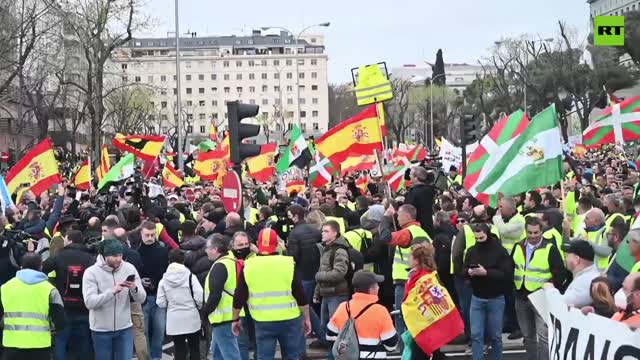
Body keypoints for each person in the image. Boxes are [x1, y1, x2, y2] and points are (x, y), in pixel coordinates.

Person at [232, 227, 311, 360]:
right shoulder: (288, 263)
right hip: (289, 320)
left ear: (257, 243)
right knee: (292, 356)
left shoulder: (249, 265)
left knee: (264, 357)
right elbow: (300, 295)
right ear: (276, 245)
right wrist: (306, 318)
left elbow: (239, 297)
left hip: (263, 321)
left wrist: (234, 319)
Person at [512, 217, 566, 360]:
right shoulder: (518, 247)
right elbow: (512, 269)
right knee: (527, 335)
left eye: (536, 232)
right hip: (521, 296)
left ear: (541, 231)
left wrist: (550, 287)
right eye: (530, 232)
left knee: (544, 336)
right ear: (526, 231)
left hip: (541, 297)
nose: (533, 236)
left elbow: (560, 273)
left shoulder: (550, 248)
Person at [82, 238, 146, 360]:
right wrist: (112, 291)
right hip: (101, 330)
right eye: (114, 256)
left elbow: (142, 298)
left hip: (125, 328)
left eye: (120, 255)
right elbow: (89, 302)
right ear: (104, 256)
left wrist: (134, 289)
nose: (119, 259)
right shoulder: (91, 273)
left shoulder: (129, 268)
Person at [382, 204, 431, 350]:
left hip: (405, 283)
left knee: (402, 319)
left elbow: (385, 237)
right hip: (419, 282)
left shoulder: (407, 233)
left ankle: (404, 351)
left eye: (399, 215)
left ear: (407, 216)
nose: (396, 217)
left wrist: (385, 219)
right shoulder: (422, 232)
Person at [0, 253, 66, 360]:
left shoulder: (5, 288)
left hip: (11, 345)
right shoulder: (50, 289)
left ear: (21, 266)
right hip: (40, 346)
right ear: (41, 267)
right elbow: (61, 322)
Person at [42, 230, 95, 360]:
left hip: (63, 306)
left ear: (69, 240)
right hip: (84, 307)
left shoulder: (59, 255)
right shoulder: (90, 258)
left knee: (61, 341)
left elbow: (44, 268)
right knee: (83, 343)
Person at [464, 223, 512, 360]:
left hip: (495, 298)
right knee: (476, 335)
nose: (479, 241)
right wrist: (469, 272)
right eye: (476, 238)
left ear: (488, 235)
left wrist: (486, 272)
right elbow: (462, 270)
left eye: (482, 238)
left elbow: (506, 273)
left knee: (495, 336)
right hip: (477, 297)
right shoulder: (471, 251)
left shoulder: (499, 251)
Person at [326, 270, 398, 359]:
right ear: (371, 290)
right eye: (376, 285)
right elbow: (391, 346)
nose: (379, 287)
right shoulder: (380, 311)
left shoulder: (343, 307)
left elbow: (330, 337)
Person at [156, 249, 203, 360]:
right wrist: (197, 306)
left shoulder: (164, 280)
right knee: (195, 349)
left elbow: (161, 303)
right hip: (191, 317)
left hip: (174, 319)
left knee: (179, 349)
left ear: (169, 261)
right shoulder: (191, 277)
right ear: (183, 261)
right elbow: (200, 295)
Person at [202, 234, 242, 360]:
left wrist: (205, 312)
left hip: (223, 318)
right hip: (231, 314)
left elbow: (215, 294)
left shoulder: (220, 265)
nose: (206, 251)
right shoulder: (231, 262)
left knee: (230, 355)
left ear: (215, 249)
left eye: (207, 248)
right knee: (217, 353)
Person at [315, 220, 351, 356]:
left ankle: (336, 356)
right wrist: (317, 292)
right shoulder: (327, 249)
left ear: (335, 233)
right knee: (326, 327)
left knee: (337, 329)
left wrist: (319, 276)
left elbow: (339, 273)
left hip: (337, 294)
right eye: (322, 231)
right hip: (327, 294)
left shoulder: (339, 250)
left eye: (326, 231)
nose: (322, 234)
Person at [138, 221, 169, 360]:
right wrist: (140, 281)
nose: (150, 238)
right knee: (143, 331)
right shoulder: (137, 251)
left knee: (159, 330)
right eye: (147, 235)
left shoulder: (162, 251)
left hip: (159, 296)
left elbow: (165, 272)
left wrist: (154, 283)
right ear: (141, 234)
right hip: (143, 297)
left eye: (152, 235)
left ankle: (156, 357)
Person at [543, 240, 600, 308]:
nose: (565, 258)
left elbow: (561, 304)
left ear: (576, 259)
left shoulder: (585, 282)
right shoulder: (588, 276)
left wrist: (550, 289)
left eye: (567, 255)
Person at [404, 166, 436, 236]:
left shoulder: (414, 193)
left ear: (416, 178)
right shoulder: (429, 190)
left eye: (411, 175)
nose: (409, 176)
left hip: (416, 230)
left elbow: (407, 210)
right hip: (428, 228)